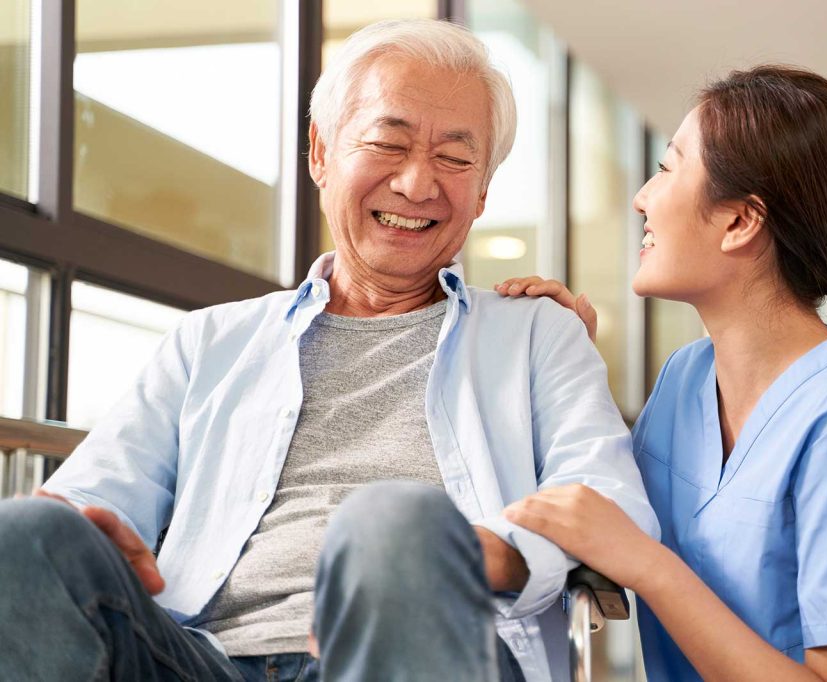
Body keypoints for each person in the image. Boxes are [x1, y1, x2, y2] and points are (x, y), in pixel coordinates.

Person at [0, 19, 658, 682]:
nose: (415, 183)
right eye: (387, 142)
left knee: (393, 519)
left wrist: (479, 550)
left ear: (483, 189)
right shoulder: (211, 342)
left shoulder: (537, 333)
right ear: (320, 153)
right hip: (202, 661)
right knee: (23, 532)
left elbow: (609, 500)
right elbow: (88, 496)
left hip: (430, 650)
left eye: (455, 159)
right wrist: (71, 532)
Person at [499, 65, 827, 681]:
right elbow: (606, 504)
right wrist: (568, 367)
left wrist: (649, 566)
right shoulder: (685, 379)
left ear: (740, 222)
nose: (644, 195)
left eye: (668, 168)